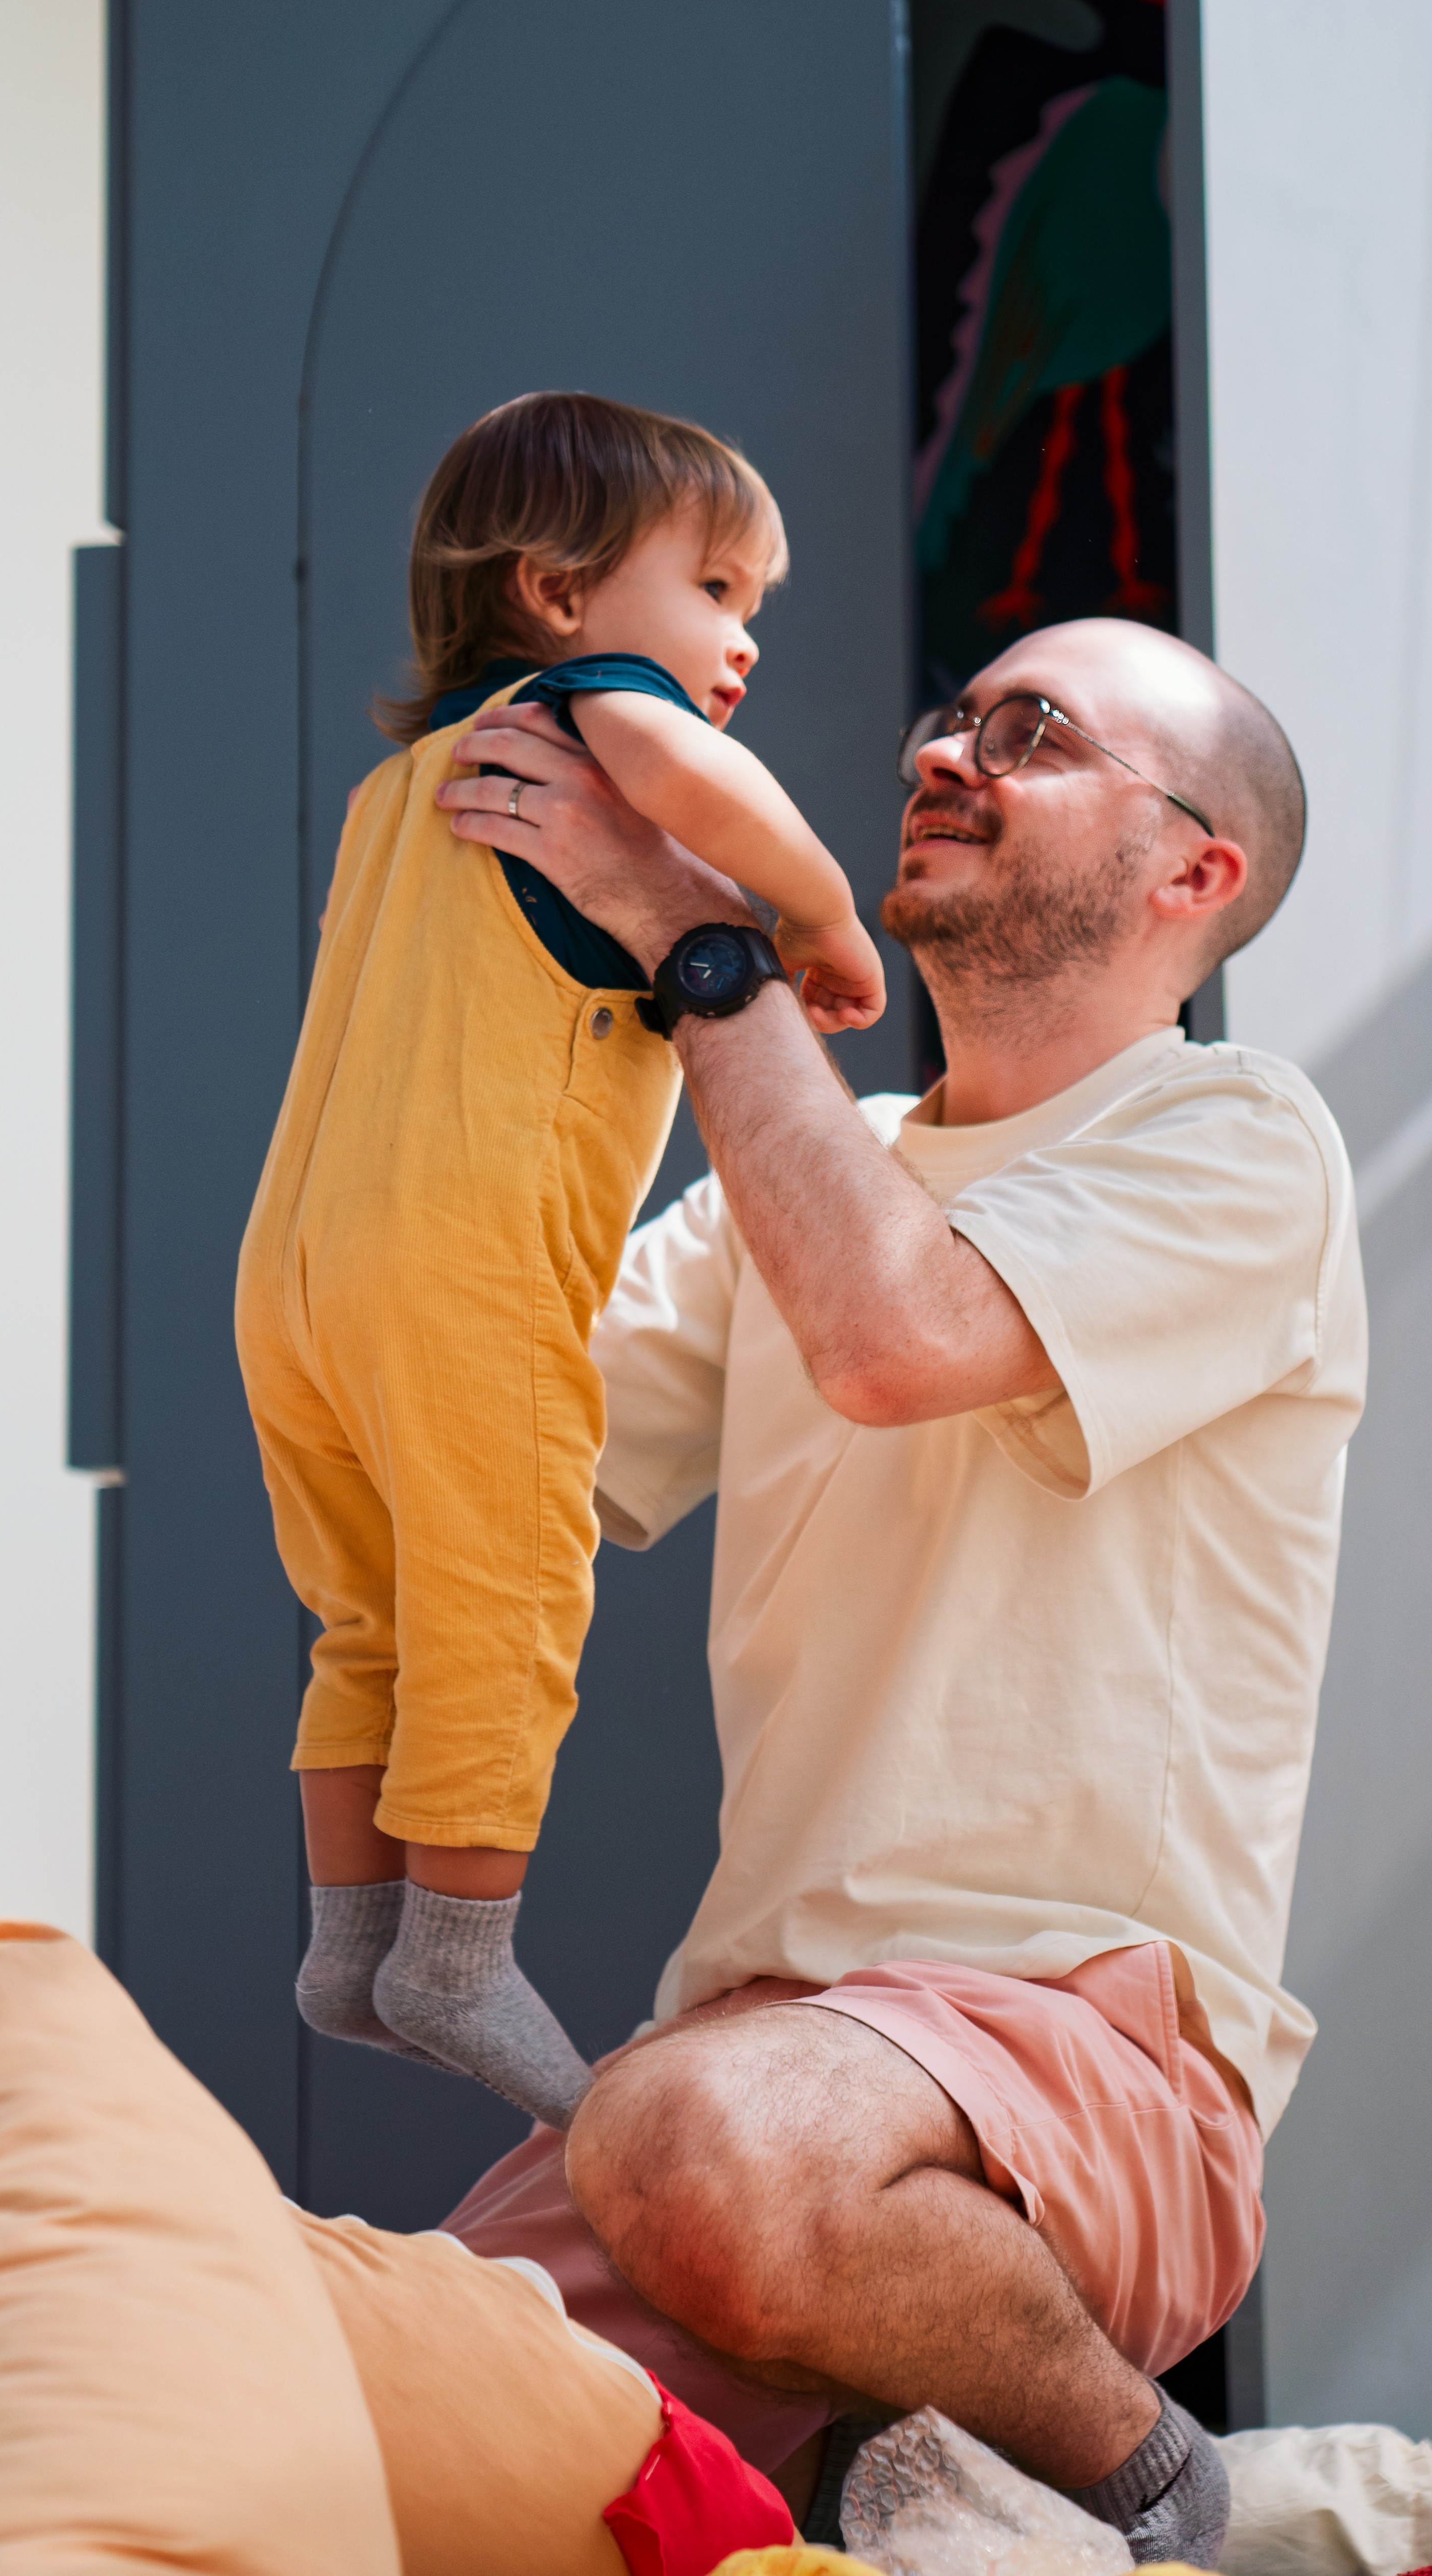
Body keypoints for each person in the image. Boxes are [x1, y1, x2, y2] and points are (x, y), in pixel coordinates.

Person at [429, 614, 1368, 2565]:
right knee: (338, 2396)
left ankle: (1162, 2488)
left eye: (1029, 732)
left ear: (1196, 870)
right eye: (953, 711)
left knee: (690, 2143)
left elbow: (896, 1330)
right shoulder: (819, 1163)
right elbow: (486, 1463)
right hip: (763, 2066)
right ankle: (907, 2476)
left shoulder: (1236, 1137)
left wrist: (704, 952)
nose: (948, 748)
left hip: (1082, 2054)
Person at [234, 392, 885, 2130]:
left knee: (370, 1605)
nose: (742, 640)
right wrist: (817, 917)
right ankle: (453, 1948)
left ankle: (348, 1931)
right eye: (721, 588)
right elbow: (693, 780)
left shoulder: (405, 791)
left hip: (298, 1278)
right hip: (465, 1269)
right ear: (557, 590)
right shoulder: (599, 723)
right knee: (507, 1589)